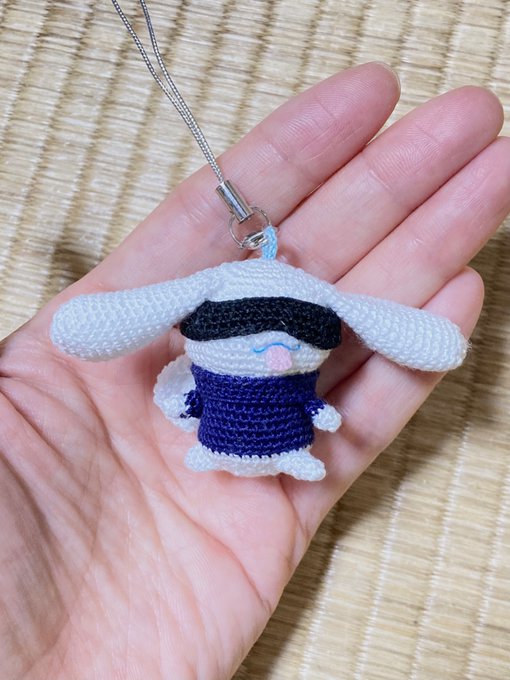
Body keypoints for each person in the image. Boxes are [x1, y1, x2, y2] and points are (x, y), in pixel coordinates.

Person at [0, 62, 508, 679]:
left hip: (281, 445)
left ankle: (285, 455)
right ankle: (233, 451)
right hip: (217, 441)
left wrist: (320, 411)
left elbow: (376, 348)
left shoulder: (279, 297)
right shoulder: (251, 293)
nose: (273, 351)